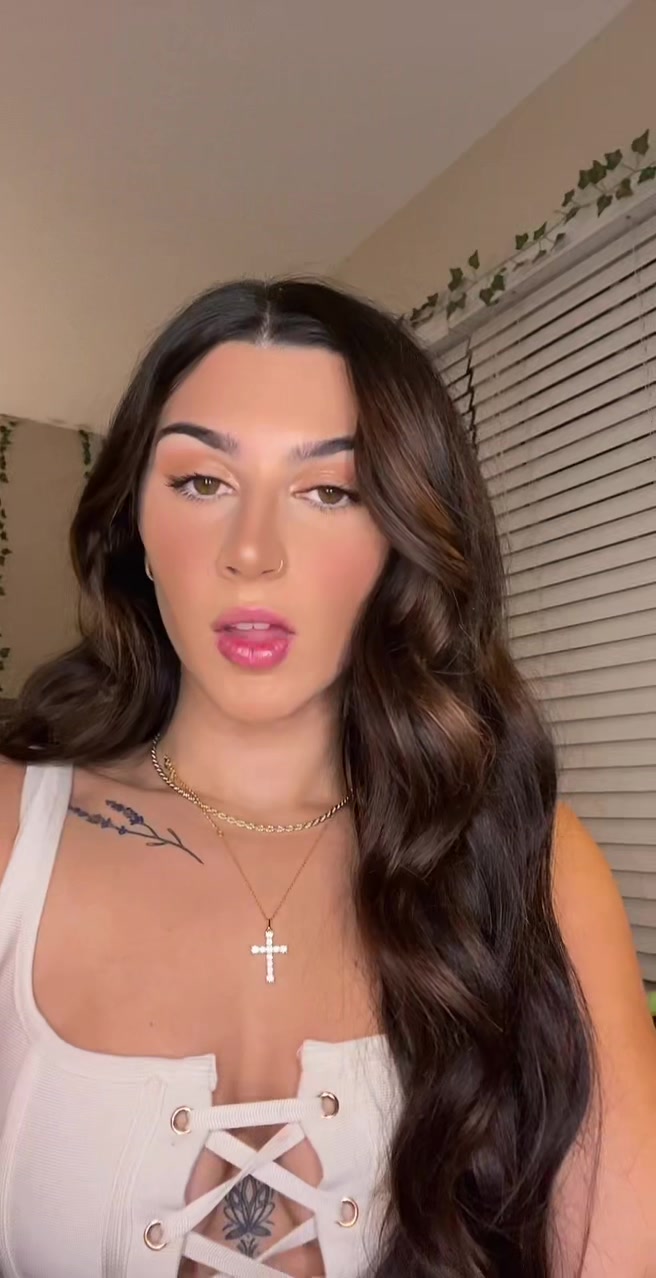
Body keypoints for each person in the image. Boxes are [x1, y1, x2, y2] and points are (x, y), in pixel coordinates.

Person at [0, 279, 654, 1278]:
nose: (252, 553)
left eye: (330, 492)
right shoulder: (14, 830)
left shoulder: (533, 860)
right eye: (201, 482)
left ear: (400, 540)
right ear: (134, 524)